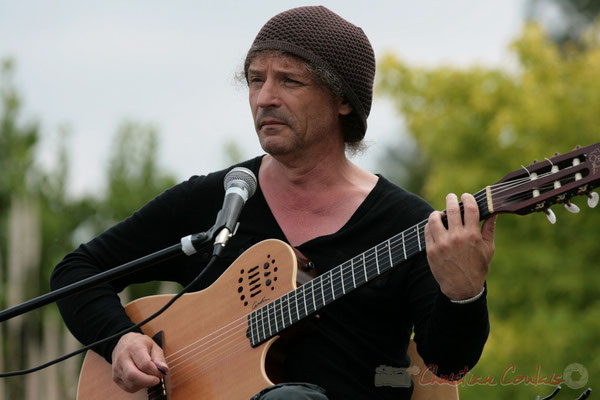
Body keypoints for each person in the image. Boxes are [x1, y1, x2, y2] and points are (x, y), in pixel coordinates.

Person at [51, 6, 496, 400]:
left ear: (343, 100)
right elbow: (77, 273)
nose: (264, 98)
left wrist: (464, 292)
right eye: (255, 80)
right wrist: (121, 342)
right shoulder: (222, 198)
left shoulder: (406, 222)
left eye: (289, 80)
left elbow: (448, 365)